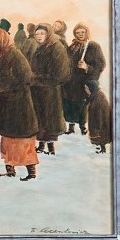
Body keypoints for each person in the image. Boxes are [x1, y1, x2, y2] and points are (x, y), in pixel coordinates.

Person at [0, 28, 39, 181]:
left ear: (0, 41)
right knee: (7, 140)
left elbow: (22, 78)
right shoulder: (3, 55)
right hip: (9, 106)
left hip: (18, 106)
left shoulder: (14, 55)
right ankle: (10, 169)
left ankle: (31, 173)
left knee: (22, 142)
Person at [29, 23, 71, 155]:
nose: (39, 36)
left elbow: (62, 73)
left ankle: (51, 149)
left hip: (50, 91)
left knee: (49, 119)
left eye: (42, 33)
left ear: (48, 34)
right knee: (41, 118)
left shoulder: (56, 47)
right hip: (38, 89)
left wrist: (38, 78)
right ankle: (42, 145)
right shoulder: (40, 47)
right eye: (37, 34)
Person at [62, 23, 106, 135]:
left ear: (87, 32)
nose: (80, 34)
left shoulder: (93, 46)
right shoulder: (72, 46)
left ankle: (82, 126)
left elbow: (100, 64)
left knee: (82, 103)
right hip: (71, 81)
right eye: (77, 33)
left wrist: (87, 67)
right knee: (70, 102)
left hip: (83, 81)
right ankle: (71, 126)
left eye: (82, 32)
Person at [84, 80, 111, 154]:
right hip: (100, 123)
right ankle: (101, 147)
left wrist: (96, 130)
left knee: (101, 137)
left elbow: (98, 116)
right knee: (101, 137)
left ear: (91, 88)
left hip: (99, 124)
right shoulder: (96, 95)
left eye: (87, 88)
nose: (86, 90)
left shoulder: (97, 98)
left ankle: (102, 149)